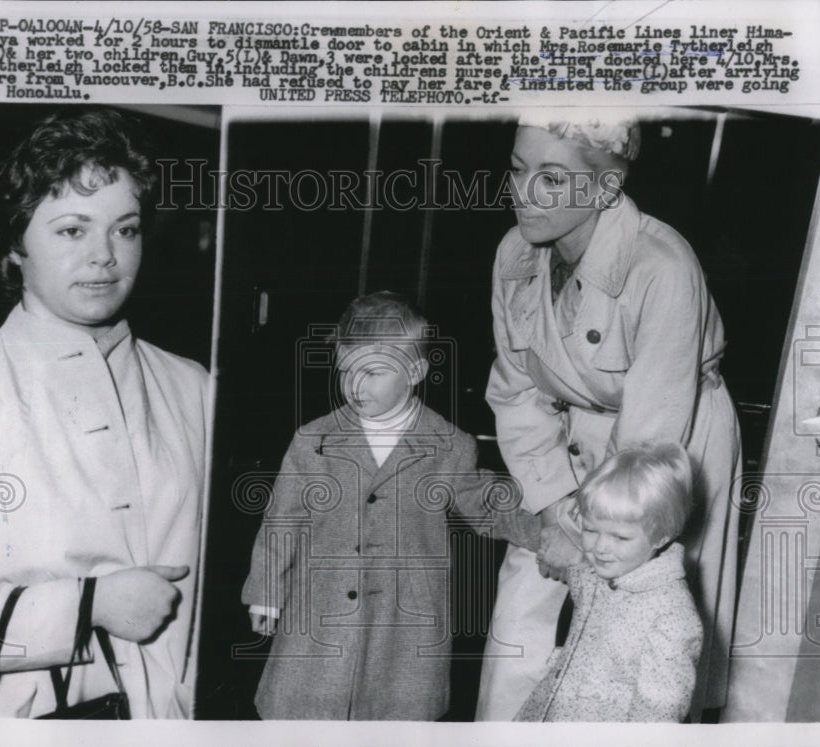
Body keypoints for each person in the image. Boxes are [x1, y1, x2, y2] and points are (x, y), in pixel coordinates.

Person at [0, 108, 209, 718]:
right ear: (16, 244)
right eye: (73, 230)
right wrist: (87, 605)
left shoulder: (193, 387)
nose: (105, 255)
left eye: (125, 229)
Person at [476, 112, 742, 721]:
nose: (523, 193)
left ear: (605, 189)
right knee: (521, 624)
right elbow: (515, 393)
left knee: (638, 641)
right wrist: (550, 508)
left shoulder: (663, 266)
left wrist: (592, 531)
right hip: (559, 447)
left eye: (551, 177)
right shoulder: (514, 254)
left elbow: (650, 436)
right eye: (517, 170)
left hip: (668, 452)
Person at [241, 291, 542, 720]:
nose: (355, 386)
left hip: (403, 630)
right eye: (346, 370)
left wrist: (548, 531)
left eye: (373, 372)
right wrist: (266, 595)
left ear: (415, 371)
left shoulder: (448, 446)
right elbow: (282, 521)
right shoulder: (314, 440)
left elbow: (486, 504)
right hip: (318, 622)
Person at [514, 443, 703, 722]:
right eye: (590, 530)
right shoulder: (602, 574)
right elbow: (578, 574)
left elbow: (658, 717)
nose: (600, 547)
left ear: (662, 536)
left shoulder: (671, 618)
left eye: (620, 537)